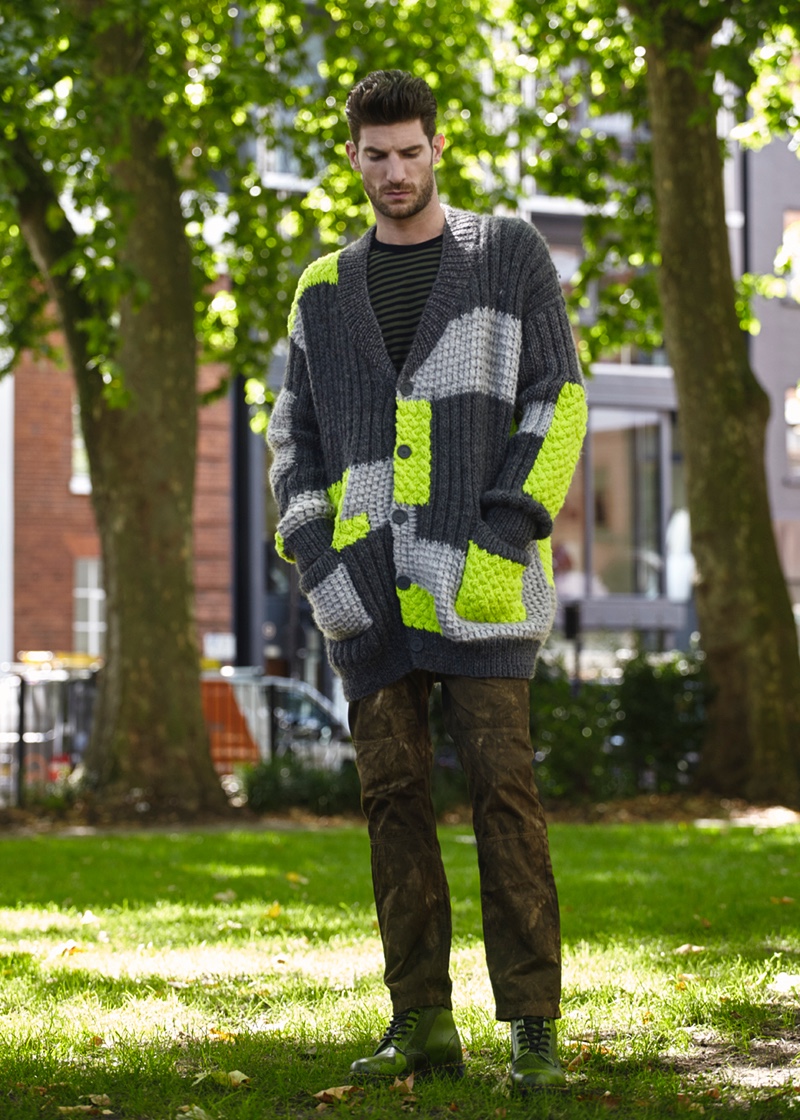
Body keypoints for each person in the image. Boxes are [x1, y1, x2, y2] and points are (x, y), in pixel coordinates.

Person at [268, 69, 587, 1091]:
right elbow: (290, 441)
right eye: (376, 154)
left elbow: (557, 400)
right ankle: (421, 1024)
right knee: (392, 800)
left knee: (505, 796)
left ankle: (531, 1030)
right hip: (367, 598)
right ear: (351, 156)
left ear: (435, 147)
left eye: (410, 151)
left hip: (483, 586)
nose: (394, 170)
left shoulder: (507, 257)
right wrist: (319, 561)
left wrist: (503, 533)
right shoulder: (321, 289)